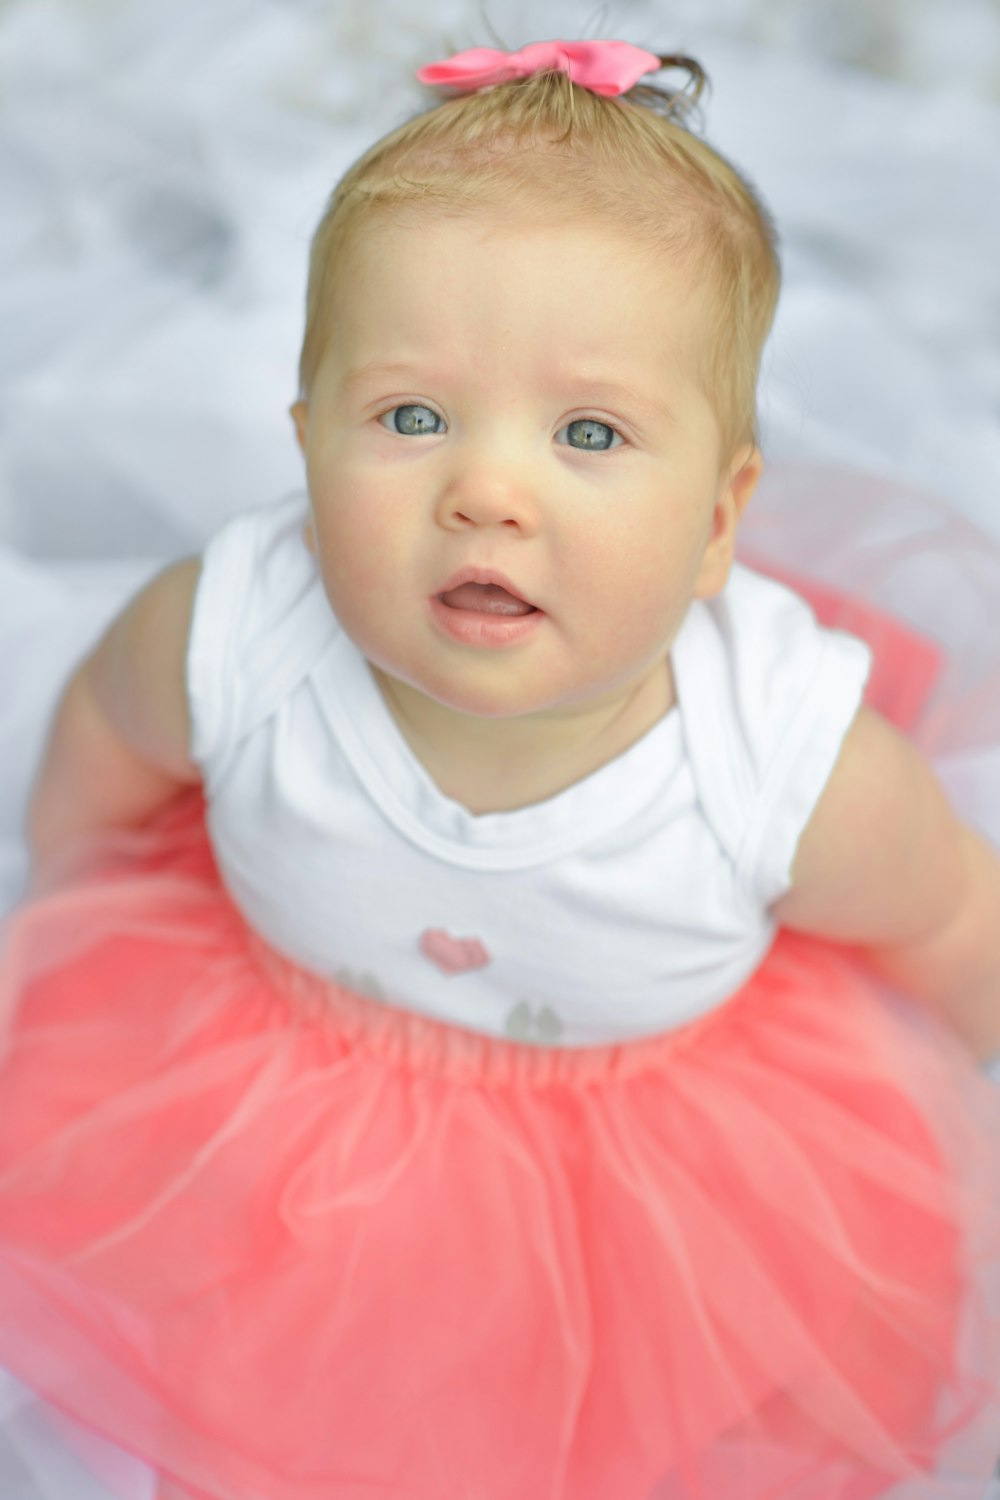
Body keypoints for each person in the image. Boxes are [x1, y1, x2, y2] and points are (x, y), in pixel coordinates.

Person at [1, 36, 999, 1500]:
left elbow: (949, 917)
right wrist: (69, 890)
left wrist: (959, 1055)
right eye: (410, 418)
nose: (486, 490)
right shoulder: (233, 632)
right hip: (280, 1096)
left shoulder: (786, 761)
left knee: (645, 1436)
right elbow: (103, 731)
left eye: (590, 432)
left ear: (721, 523)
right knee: (270, 1402)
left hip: (654, 1170)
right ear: (304, 448)